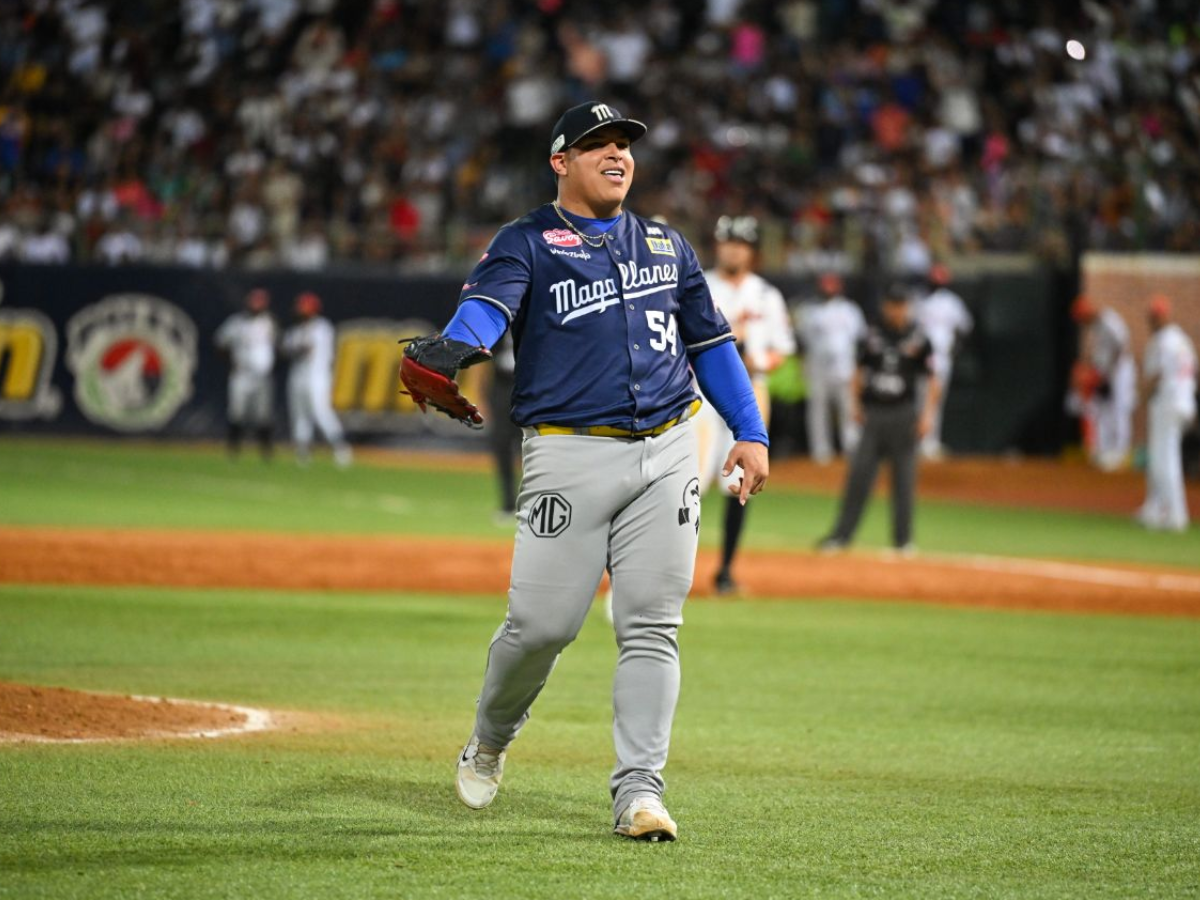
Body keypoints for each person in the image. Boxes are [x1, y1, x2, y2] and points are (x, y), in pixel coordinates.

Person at [418, 101, 769, 842]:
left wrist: (750, 431)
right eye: (596, 145)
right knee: (543, 626)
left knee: (652, 627)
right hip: (568, 451)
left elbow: (710, 344)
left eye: (624, 145)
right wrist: (455, 349)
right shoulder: (528, 242)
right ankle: (490, 735)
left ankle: (640, 791)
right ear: (560, 161)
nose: (616, 155)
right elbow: (487, 310)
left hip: (670, 447)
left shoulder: (668, 246)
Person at [696, 214, 794, 594]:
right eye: (726, 241)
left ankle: (725, 572)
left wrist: (754, 360)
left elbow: (781, 352)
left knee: (742, 481)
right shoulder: (699, 285)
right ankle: (670, 568)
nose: (732, 248)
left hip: (752, 392)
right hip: (700, 395)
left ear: (751, 251)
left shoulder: (766, 296)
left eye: (740, 243)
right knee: (689, 480)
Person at [817, 282, 941, 553]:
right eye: (892, 304)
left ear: (907, 306)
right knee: (859, 477)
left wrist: (927, 417)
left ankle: (903, 541)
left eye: (901, 304)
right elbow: (858, 372)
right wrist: (856, 405)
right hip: (875, 413)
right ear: (885, 305)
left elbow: (932, 380)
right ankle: (841, 536)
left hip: (904, 413)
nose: (896, 310)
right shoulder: (872, 334)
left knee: (904, 481)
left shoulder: (919, 338)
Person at [1137, 295, 1197, 532]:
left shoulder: (1162, 342)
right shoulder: (1183, 340)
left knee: (1164, 459)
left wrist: (1142, 397)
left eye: (1154, 316)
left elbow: (1156, 376)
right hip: (1184, 402)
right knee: (1162, 457)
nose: (1152, 320)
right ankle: (1156, 508)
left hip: (1167, 403)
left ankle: (1175, 514)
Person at [796, 272, 866, 464]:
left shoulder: (850, 310)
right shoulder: (808, 311)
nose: (828, 290)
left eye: (832, 286)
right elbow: (801, 341)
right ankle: (820, 450)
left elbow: (861, 340)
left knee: (848, 407)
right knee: (818, 409)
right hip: (817, 367)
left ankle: (851, 446)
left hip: (845, 367)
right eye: (826, 286)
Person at [281, 291, 353, 467]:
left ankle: (340, 448)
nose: (300, 311)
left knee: (321, 413)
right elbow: (284, 348)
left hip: (317, 376)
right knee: (299, 415)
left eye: (303, 308)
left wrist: (295, 348)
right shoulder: (295, 330)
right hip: (298, 376)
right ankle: (302, 452)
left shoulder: (322, 327)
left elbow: (307, 348)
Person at [1069, 296, 1137, 472]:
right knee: (1105, 409)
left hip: (1120, 370)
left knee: (1120, 408)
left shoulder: (1108, 320)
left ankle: (1122, 453)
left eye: (1082, 318)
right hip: (1107, 372)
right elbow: (1100, 352)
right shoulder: (1097, 326)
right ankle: (1106, 452)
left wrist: (1111, 371)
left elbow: (1121, 345)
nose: (1082, 323)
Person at [914, 263, 973, 459]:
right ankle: (922, 442)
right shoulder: (921, 301)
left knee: (932, 401)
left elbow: (964, 328)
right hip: (924, 357)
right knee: (924, 400)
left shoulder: (951, 302)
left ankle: (929, 442)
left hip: (940, 357)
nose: (936, 285)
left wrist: (955, 349)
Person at [214, 288, 277, 459]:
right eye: (254, 303)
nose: (256, 307)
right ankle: (233, 449)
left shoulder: (269, 322)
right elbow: (219, 342)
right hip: (241, 374)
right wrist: (231, 362)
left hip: (262, 374)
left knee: (263, 414)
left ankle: (266, 451)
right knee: (237, 412)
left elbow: (277, 346)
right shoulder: (236, 322)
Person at [484, 333, 522, 524]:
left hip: (530, 382)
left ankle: (535, 504)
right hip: (502, 383)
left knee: (533, 445)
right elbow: (483, 355)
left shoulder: (541, 313)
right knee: (502, 443)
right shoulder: (503, 313)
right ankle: (508, 505)